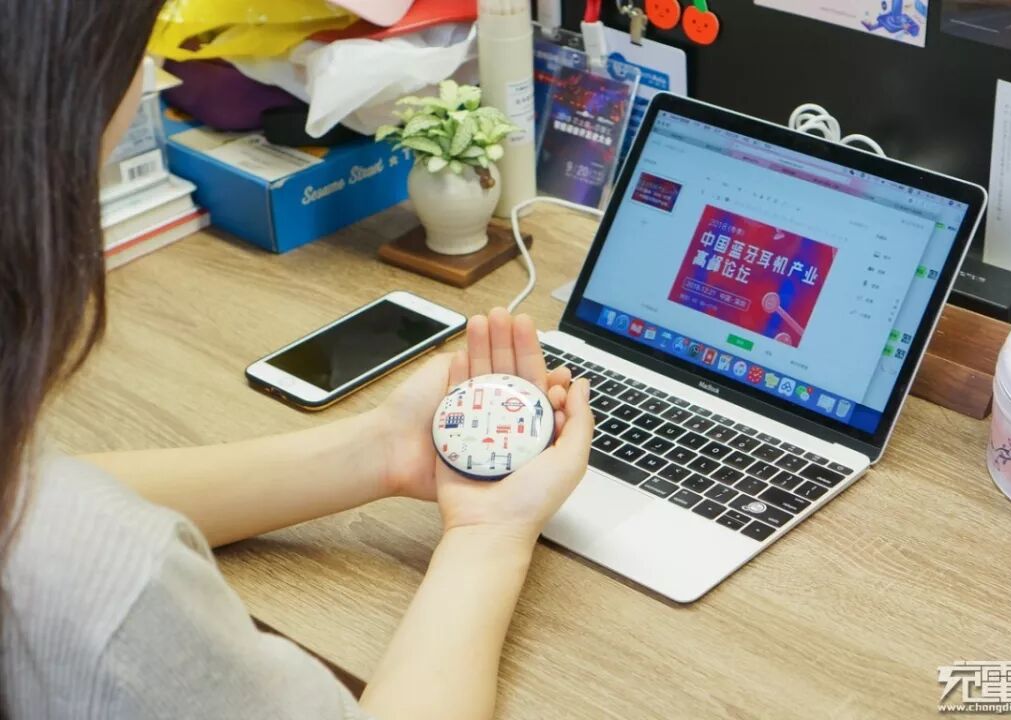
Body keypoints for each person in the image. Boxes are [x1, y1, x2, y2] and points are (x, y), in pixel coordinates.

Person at [0, 2, 593, 718]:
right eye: (142, 43)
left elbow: (46, 495)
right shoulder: (102, 601)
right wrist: (490, 533)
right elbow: (73, 538)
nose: (151, 68)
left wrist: (381, 449)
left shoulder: (50, 525)